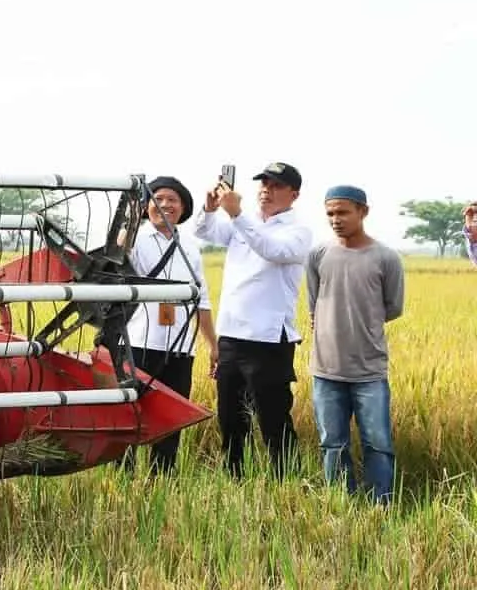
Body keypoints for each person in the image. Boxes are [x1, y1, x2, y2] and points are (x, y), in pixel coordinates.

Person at [194, 161, 313, 479]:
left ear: (294, 194)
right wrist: (208, 209)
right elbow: (203, 231)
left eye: (276, 186)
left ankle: (286, 482)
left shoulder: (298, 231)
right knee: (231, 420)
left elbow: (271, 249)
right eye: (263, 184)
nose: (266, 191)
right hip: (232, 337)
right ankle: (234, 478)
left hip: (269, 340)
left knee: (273, 419)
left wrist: (236, 215)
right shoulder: (241, 224)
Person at [306, 185, 405, 504]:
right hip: (325, 371)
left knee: (378, 443)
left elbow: (393, 307)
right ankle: (341, 502)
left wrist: (360, 325)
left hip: (369, 372)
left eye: (343, 212)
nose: (335, 219)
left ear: (363, 211)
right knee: (332, 443)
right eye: (330, 213)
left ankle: (380, 504)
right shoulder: (318, 254)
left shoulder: (386, 257)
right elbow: (313, 305)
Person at [121, 176, 218, 474]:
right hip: (138, 342)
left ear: (183, 207)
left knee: (171, 414)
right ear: (145, 206)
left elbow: (201, 297)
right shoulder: (135, 239)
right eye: (158, 199)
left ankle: (162, 475)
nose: (165, 205)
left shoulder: (190, 246)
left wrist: (213, 345)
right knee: (129, 412)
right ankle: (122, 475)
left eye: (172, 200)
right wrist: (131, 221)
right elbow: (117, 255)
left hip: (179, 347)